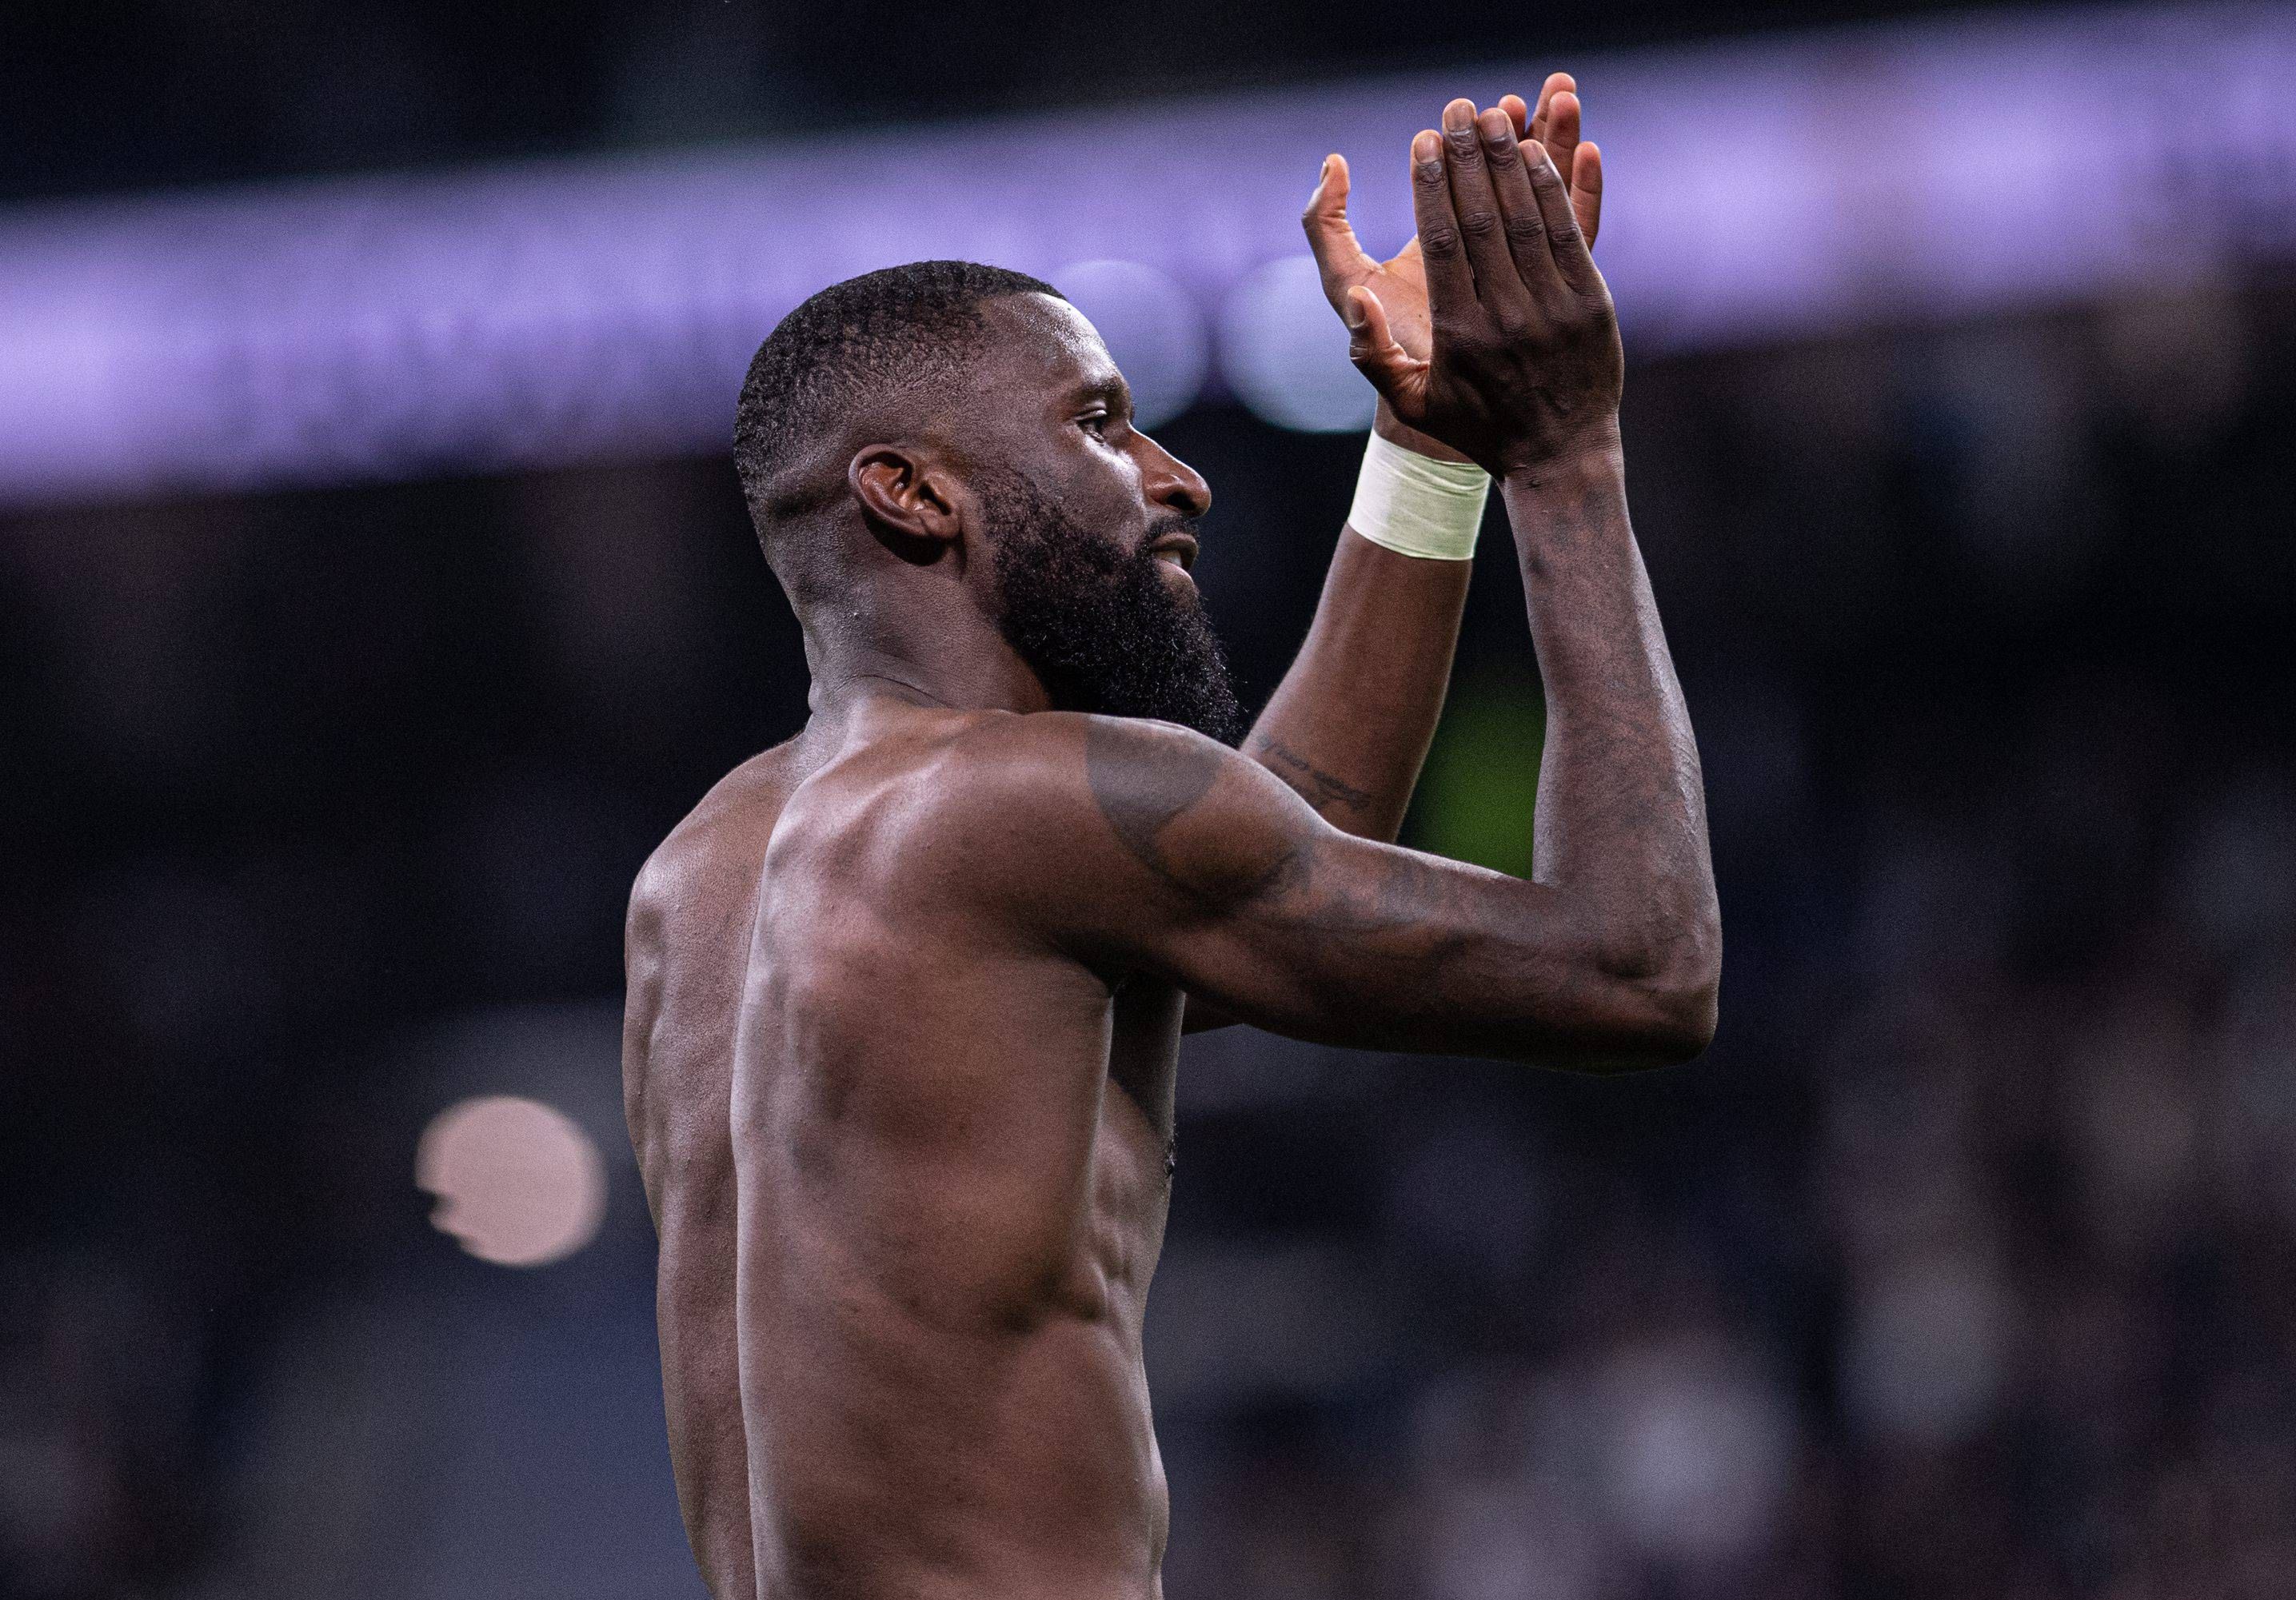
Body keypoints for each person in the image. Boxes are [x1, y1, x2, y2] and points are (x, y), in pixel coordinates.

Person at [622, 76, 1719, 1600]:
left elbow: (1259, 864)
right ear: (912, 492)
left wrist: (1431, 447)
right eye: (1099, 423)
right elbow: (1641, 965)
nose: (1177, 474)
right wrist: (1570, 455)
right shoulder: (1021, 808)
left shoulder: (704, 874)